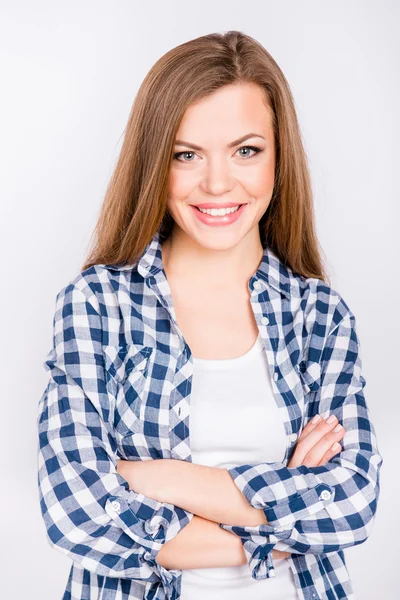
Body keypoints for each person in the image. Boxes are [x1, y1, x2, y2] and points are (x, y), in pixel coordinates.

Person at [36, 30, 383, 600]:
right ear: (155, 162)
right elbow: (77, 511)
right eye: (186, 154)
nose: (218, 183)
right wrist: (286, 513)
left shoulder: (320, 316)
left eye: (246, 150)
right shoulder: (98, 304)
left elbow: (351, 503)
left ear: (279, 158)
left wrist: (155, 478)